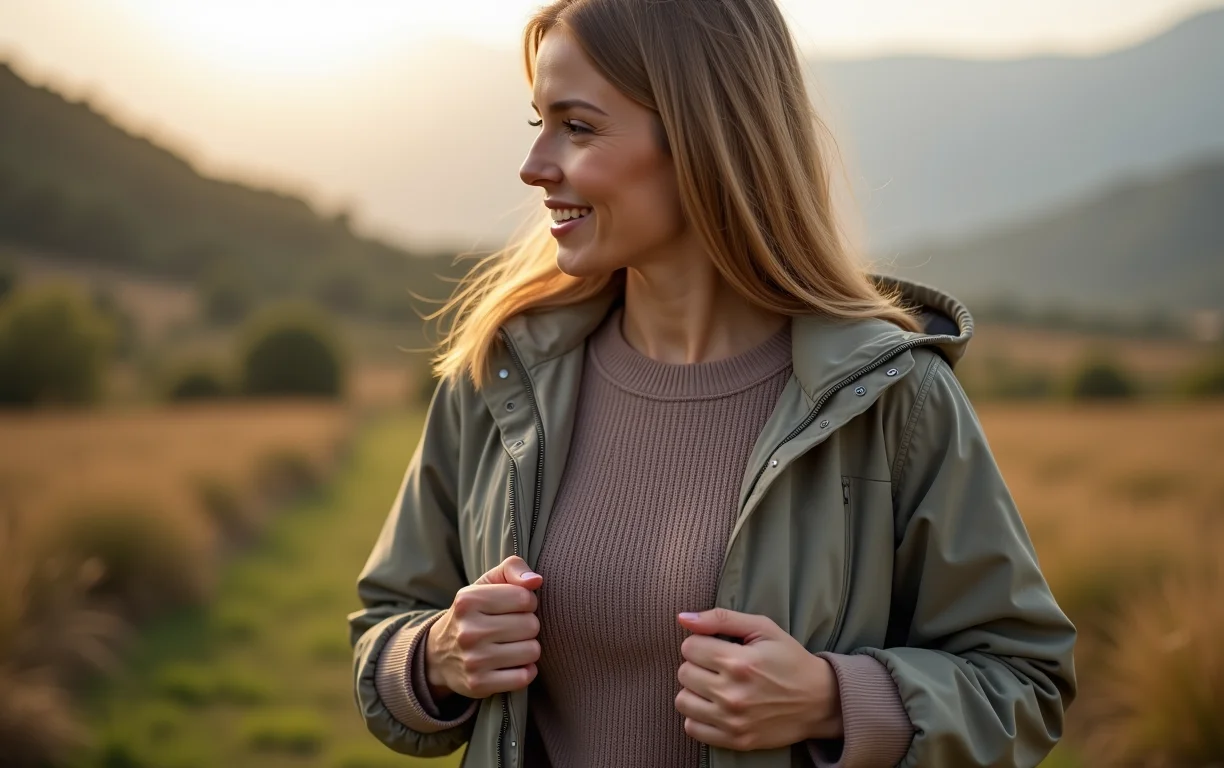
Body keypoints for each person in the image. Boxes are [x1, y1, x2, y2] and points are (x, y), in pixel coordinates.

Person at [348, 0, 1077, 766]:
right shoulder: (502, 378)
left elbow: (1023, 684)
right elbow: (385, 630)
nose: (534, 167)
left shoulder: (894, 399)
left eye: (579, 127)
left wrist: (833, 700)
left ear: (704, 137)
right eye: (539, 125)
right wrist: (433, 657)